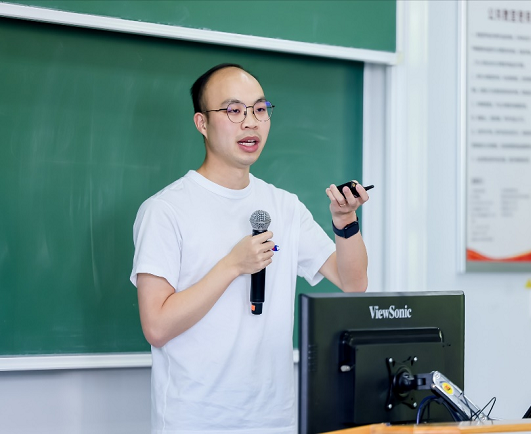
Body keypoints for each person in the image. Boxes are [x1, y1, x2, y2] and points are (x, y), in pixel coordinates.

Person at [130, 63, 369, 434]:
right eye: (234, 110)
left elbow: (353, 283)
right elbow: (157, 327)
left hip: (274, 418)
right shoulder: (165, 210)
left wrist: (345, 221)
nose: (251, 122)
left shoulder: (285, 206)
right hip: (195, 420)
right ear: (202, 123)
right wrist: (232, 265)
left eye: (259, 109)